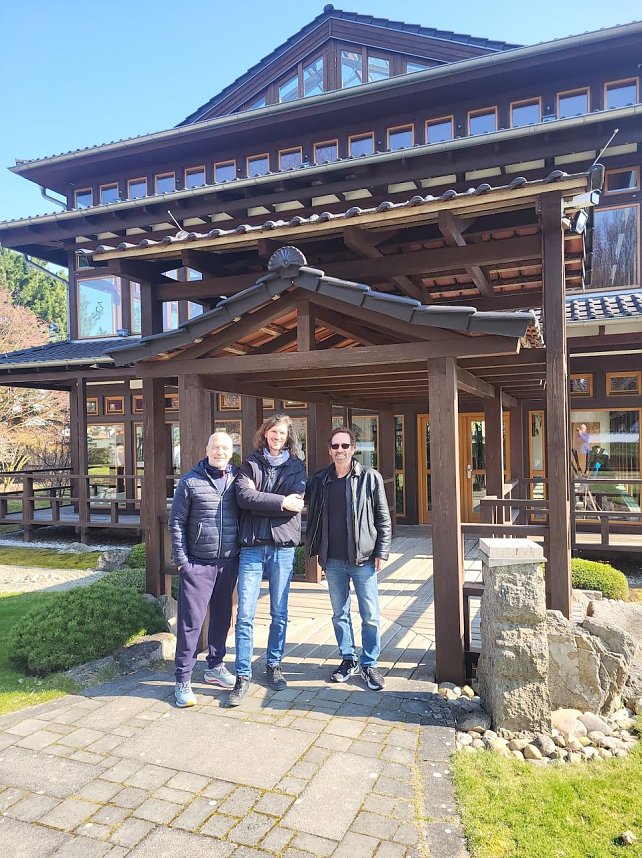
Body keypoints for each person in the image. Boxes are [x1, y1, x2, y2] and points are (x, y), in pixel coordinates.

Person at [305, 426, 391, 691]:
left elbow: (383, 517)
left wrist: (381, 551)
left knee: (370, 615)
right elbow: (302, 503)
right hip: (332, 560)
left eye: (344, 446)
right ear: (330, 451)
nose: (339, 450)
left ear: (353, 449)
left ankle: (370, 663)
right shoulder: (320, 480)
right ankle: (348, 658)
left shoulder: (370, 477)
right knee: (339, 614)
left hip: (363, 559)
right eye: (335, 446)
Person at [228, 414, 306, 707]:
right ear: (265, 434)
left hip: (283, 547)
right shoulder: (250, 462)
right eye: (273, 432)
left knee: (279, 611)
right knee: (245, 614)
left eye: (282, 433)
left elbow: (296, 502)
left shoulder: (297, 465)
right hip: (252, 547)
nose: (277, 437)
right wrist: (279, 502)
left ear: (288, 437)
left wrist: (271, 502)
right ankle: (243, 675)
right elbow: (244, 497)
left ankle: (273, 665)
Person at [169, 431, 240, 708]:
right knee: (191, 623)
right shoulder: (190, 480)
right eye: (214, 447)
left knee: (223, 618)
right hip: (197, 564)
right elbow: (176, 522)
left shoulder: (238, 479)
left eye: (224, 448)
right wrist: (182, 560)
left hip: (228, 562)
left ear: (231, 452)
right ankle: (183, 679)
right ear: (206, 449)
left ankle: (215, 666)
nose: (219, 452)